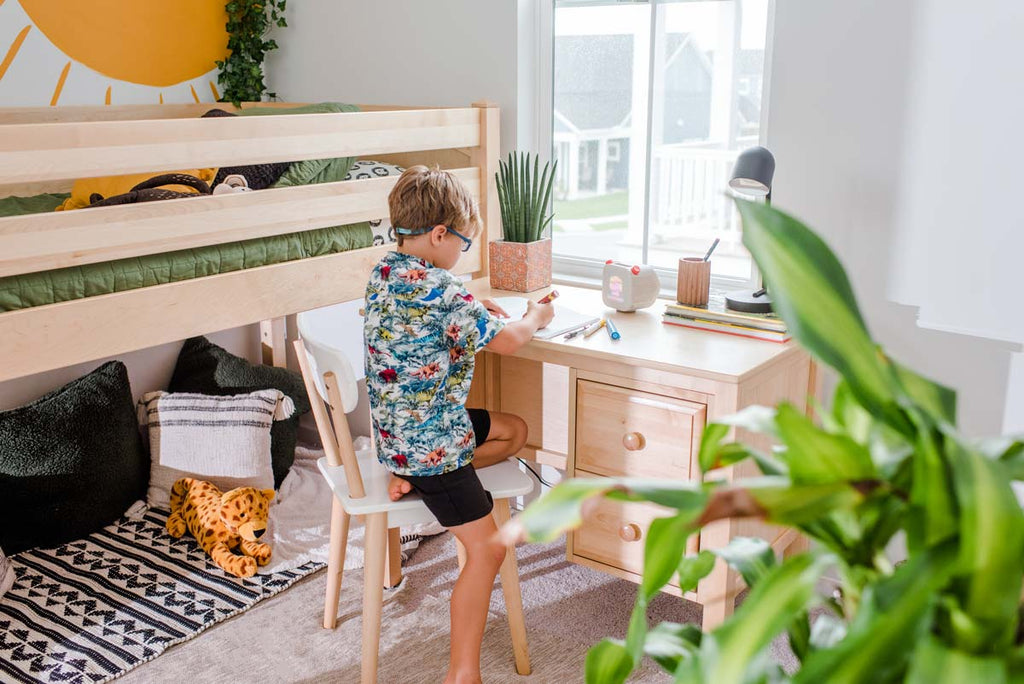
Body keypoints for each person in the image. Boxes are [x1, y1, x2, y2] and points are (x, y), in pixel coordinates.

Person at [363, 165, 554, 684]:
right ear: (440, 234)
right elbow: (511, 341)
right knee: (489, 548)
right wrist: (534, 317)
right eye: (463, 245)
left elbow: (428, 323)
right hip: (432, 446)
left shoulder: (385, 272)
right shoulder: (445, 292)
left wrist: (476, 311)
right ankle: (462, 673)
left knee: (514, 431)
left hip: (398, 434)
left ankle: (414, 480)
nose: (461, 256)